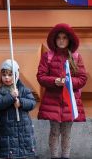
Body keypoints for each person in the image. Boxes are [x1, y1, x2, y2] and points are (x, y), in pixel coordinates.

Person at [37, 23, 88, 159]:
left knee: (66, 132)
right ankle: (54, 156)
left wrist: (69, 82)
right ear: (54, 39)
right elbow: (41, 76)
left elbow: (82, 78)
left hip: (70, 102)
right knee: (54, 131)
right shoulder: (47, 56)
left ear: (69, 40)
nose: (61, 40)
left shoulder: (76, 57)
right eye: (59, 37)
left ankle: (65, 156)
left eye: (64, 37)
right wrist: (54, 81)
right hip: (52, 101)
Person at [0, 59, 36, 159]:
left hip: (24, 129)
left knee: (24, 153)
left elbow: (32, 103)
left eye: (10, 74)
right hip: (8, 131)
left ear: (16, 75)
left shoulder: (23, 89)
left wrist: (21, 102)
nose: (7, 77)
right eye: (4, 75)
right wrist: (11, 96)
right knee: (10, 153)